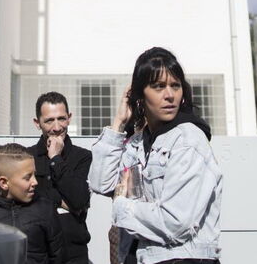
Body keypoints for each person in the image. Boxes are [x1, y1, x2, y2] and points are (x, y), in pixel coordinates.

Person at [88, 47, 222, 264]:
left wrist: (121, 206)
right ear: (140, 94)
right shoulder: (138, 143)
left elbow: (175, 222)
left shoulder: (187, 140)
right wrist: (119, 123)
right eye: (158, 86)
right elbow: (101, 183)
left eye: (175, 86)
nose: (169, 95)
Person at [0, 143, 66, 264]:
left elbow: (59, 258)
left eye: (34, 175)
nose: (35, 182)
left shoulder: (45, 209)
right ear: (4, 183)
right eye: (28, 177)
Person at [27, 92, 92, 264]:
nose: (57, 127)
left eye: (61, 119)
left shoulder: (83, 157)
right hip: (37, 252)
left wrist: (55, 159)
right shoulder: (27, 157)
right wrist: (60, 199)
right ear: (37, 123)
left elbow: (78, 200)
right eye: (49, 121)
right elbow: (20, 198)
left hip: (73, 252)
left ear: (69, 118)